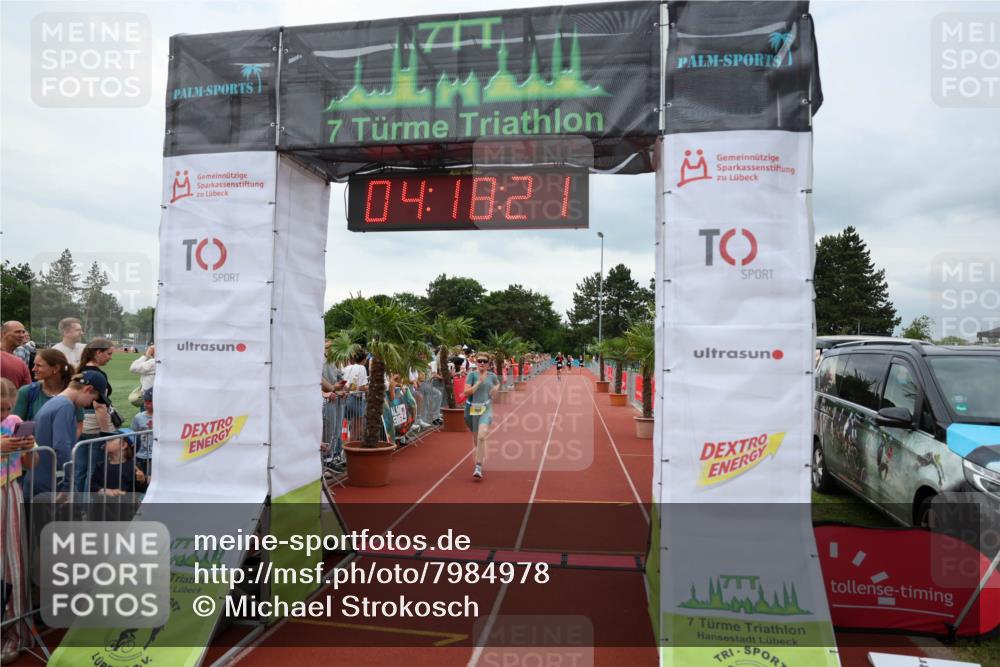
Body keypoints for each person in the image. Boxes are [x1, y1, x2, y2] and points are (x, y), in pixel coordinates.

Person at [24, 370, 105, 498]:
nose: (90, 403)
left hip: (38, 477)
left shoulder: (55, 402)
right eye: (93, 399)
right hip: (52, 481)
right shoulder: (65, 406)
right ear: (88, 389)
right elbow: (61, 446)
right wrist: (68, 484)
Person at [1, 379, 36, 663]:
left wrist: (27, 447)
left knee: (12, 562)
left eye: (7, 408)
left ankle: (16, 633)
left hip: (8, 492)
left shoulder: (14, 420)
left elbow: (31, 464)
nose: (5, 413)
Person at [75, 339, 116, 493]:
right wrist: (107, 434)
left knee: (80, 470)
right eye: (108, 353)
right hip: (94, 424)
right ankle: (87, 508)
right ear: (98, 353)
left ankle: (76, 507)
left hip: (79, 422)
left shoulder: (78, 370)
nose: (111, 357)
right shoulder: (98, 375)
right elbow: (99, 406)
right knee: (94, 471)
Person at [13, 349, 83, 430]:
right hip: (32, 442)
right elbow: (15, 424)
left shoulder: (72, 393)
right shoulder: (26, 392)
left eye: (38, 365)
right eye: (34, 365)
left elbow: (78, 425)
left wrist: (68, 442)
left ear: (56, 368)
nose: (33, 369)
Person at [463, 354, 500, 480]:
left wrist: (495, 388)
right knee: (476, 440)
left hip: (486, 408)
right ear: (476, 362)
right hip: (471, 409)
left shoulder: (492, 376)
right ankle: (481, 452)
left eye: (485, 361)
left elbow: (497, 384)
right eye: (480, 361)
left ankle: (478, 466)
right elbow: (467, 392)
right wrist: (479, 382)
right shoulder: (471, 375)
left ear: (489, 364)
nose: (482, 363)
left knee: (482, 436)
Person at [131, 388, 154, 477]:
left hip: (154, 456)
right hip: (140, 455)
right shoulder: (138, 417)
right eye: (145, 402)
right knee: (140, 478)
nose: (146, 405)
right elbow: (134, 432)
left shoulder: (162, 417)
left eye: (149, 402)